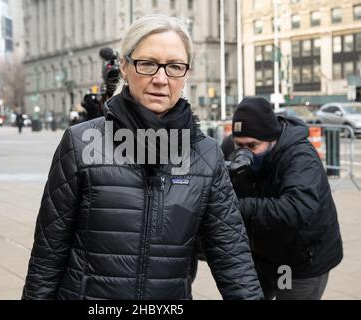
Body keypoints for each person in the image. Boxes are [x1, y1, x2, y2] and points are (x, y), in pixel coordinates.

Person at [22, 14, 263, 300]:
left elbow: (233, 258)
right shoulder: (80, 143)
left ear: (185, 74)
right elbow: (48, 256)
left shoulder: (206, 154)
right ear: (124, 67)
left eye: (174, 67)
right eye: (148, 64)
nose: (161, 79)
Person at [225, 97, 343, 300]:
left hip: (297, 262)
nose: (244, 152)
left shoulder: (300, 157)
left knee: (288, 295)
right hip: (262, 256)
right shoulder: (231, 147)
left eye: (252, 146)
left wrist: (237, 207)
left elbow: (296, 209)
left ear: (272, 140)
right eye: (239, 145)